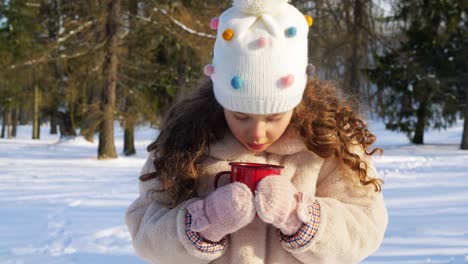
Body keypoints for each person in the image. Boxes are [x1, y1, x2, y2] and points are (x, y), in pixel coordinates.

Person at [125, 0, 388, 263]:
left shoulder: (327, 144)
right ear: (222, 102)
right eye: (241, 116)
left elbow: (365, 226)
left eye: (274, 117)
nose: (257, 133)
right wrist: (204, 221)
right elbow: (145, 232)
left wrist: (299, 216)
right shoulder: (187, 143)